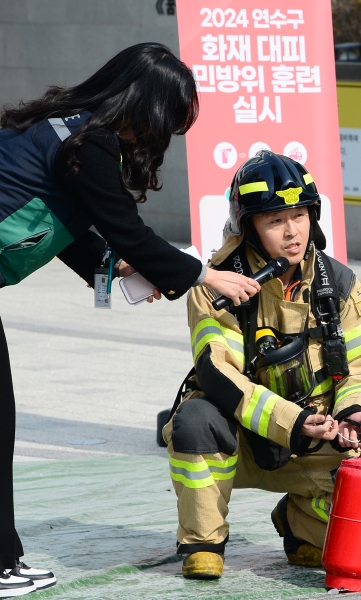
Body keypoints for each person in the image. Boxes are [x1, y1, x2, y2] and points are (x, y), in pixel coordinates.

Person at [0, 43, 261, 596]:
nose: (162, 137)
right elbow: (129, 230)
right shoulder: (92, 145)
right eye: (169, 121)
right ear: (146, 104)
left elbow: (72, 228)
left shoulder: (68, 131)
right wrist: (205, 276)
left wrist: (114, 265)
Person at [161, 151, 361, 580]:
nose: (293, 231)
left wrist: (354, 412)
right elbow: (220, 375)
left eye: (300, 214)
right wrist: (294, 420)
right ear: (248, 226)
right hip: (243, 432)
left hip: (313, 432)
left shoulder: (339, 283)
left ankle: (300, 526)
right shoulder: (217, 283)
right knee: (195, 419)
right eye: (274, 220)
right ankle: (204, 541)